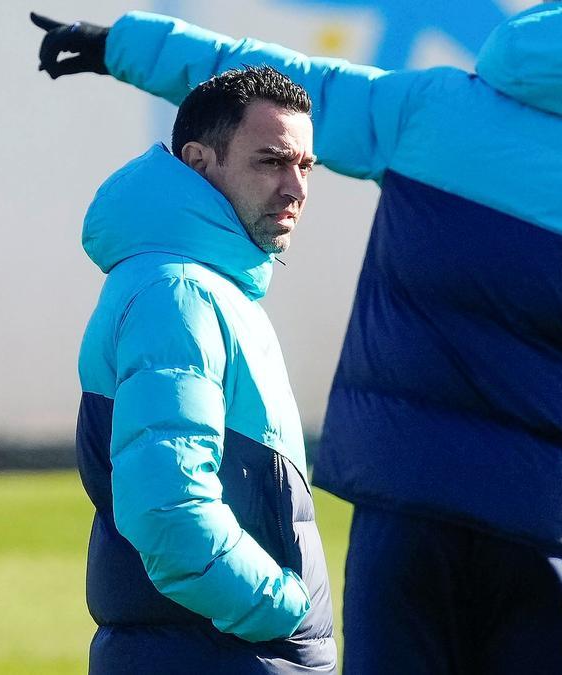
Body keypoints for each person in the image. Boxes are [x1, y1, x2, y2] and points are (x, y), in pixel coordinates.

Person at [33, 2, 562, 672]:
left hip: (403, 520)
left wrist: (121, 43)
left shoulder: (428, 108)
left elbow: (282, 84)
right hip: (555, 530)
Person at [69, 66, 335, 673]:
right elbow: (169, 508)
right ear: (198, 162)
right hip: (218, 653)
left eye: (306, 165)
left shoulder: (202, 286)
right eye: (271, 161)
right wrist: (281, 612)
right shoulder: (178, 291)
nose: (296, 187)